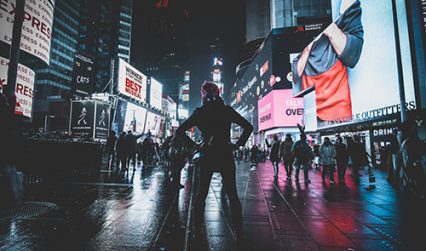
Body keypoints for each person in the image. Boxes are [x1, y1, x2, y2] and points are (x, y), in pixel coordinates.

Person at [175, 81, 253, 237]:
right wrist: (237, 145)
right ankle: (238, 229)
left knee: (201, 193)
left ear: (203, 94)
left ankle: (197, 228)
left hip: (207, 154)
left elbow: (180, 131)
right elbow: (248, 127)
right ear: (218, 93)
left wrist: (195, 146)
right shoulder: (226, 110)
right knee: (232, 193)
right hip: (225, 153)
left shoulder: (200, 112)